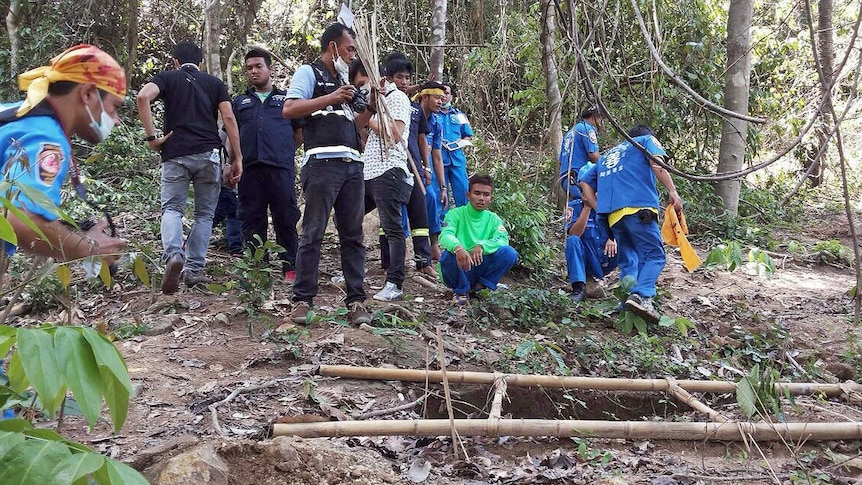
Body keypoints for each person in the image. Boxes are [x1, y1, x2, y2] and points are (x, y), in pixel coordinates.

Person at [0, 44, 127, 262]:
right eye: (114, 108)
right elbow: (19, 218)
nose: (116, 121)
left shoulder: (16, 115)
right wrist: (86, 248)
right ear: (87, 93)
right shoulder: (46, 138)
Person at [137, 41, 242, 295]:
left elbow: (142, 97)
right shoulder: (214, 83)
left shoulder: (168, 78)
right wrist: (237, 156)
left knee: (172, 208)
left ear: (175, 61)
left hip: (176, 153)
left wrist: (152, 138)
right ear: (202, 62)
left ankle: (174, 254)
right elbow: (228, 118)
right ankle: (194, 269)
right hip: (209, 155)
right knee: (204, 214)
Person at [282, 23, 370, 325]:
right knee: (313, 233)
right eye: (349, 49)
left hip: (351, 165)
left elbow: (355, 124)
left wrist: (371, 106)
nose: (352, 55)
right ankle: (303, 300)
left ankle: (357, 301)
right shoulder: (309, 73)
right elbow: (290, 109)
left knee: (353, 235)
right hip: (321, 164)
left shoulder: (344, 79)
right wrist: (330, 97)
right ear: (333, 48)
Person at [580, 125, 683, 323]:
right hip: (638, 209)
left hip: (613, 218)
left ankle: (625, 308)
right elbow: (656, 163)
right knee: (654, 255)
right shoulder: (644, 141)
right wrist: (672, 191)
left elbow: (585, 183)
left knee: (630, 260)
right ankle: (642, 296)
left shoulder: (608, 157)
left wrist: (599, 206)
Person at [232, 48, 301, 281]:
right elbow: (231, 134)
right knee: (251, 218)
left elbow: (298, 133)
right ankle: (256, 267)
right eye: (249, 68)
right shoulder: (240, 102)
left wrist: (284, 149)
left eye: (258, 66)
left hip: (280, 167)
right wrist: (231, 162)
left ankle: (290, 266)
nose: (253, 71)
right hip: (249, 169)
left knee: (286, 216)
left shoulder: (286, 99)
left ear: (270, 69)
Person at [350, 60, 413, 301]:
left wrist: (372, 117)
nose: (362, 88)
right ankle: (352, 272)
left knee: (392, 229)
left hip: (389, 171)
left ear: (380, 79)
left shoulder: (397, 99)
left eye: (364, 83)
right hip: (370, 171)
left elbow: (394, 134)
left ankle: (395, 283)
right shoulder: (375, 101)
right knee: (349, 218)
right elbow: (359, 125)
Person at [381, 52, 437, 278]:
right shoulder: (382, 103)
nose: (403, 82)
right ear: (389, 78)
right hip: (390, 167)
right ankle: (388, 264)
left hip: (412, 167)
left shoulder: (414, 107)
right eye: (399, 77)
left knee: (419, 214)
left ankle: (424, 262)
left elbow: (422, 137)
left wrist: (426, 166)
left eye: (407, 78)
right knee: (390, 217)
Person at [438, 174, 518, 304]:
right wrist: (458, 248)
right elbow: (445, 235)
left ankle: (481, 286)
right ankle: (461, 291)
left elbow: (502, 239)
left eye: (486, 195)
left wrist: (482, 246)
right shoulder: (455, 214)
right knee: (447, 256)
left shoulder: (493, 219)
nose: (481, 198)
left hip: (480, 266)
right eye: (477, 193)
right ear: (468, 195)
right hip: (459, 267)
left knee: (509, 253)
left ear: (491, 198)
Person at [565, 162, 618, 302]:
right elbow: (574, 234)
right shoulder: (573, 207)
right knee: (572, 241)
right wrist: (587, 209)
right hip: (586, 258)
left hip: (606, 257)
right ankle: (579, 288)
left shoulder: (610, 206)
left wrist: (613, 238)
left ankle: (633, 288)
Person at [415, 81, 448, 260]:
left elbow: (437, 155)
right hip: (408, 168)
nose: (440, 102)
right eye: (437, 97)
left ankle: (434, 244)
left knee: (432, 198)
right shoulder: (411, 113)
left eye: (442, 99)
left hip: (424, 172)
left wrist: (443, 187)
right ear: (424, 96)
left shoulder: (436, 123)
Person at [438, 82, 474, 207]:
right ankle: (444, 224)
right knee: (441, 197)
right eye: (441, 93)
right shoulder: (432, 114)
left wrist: (462, 141)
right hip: (439, 161)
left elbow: (468, 135)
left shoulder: (459, 115)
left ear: (451, 96)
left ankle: (465, 222)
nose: (444, 96)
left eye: (447, 93)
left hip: (457, 160)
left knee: (464, 193)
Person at [559, 106, 603, 200]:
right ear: (594, 116)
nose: (601, 123)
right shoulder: (587, 129)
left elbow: (561, 160)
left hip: (566, 178)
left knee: (576, 209)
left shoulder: (570, 132)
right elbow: (594, 156)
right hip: (578, 177)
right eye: (601, 119)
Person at [212, 181, 243, 255]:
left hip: (223, 185)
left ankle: (235, 247)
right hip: (227, 184)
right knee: (213, 216)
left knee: (232, 214)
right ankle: (235, 247)